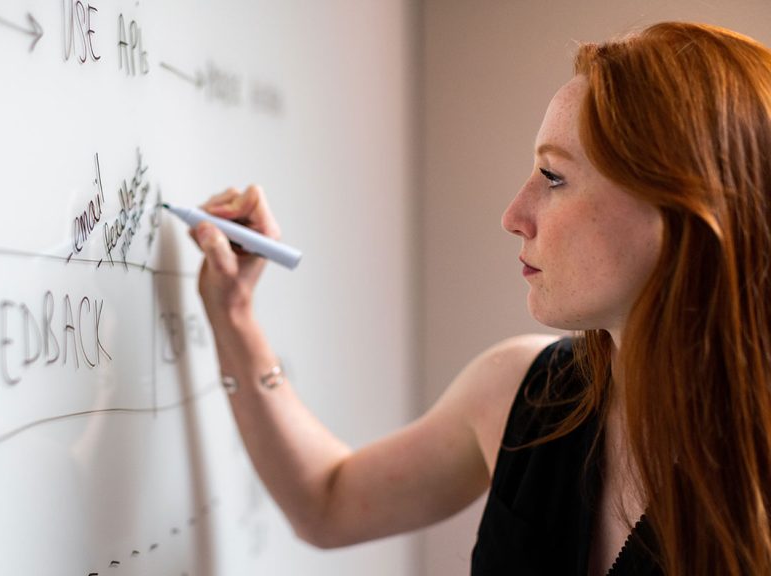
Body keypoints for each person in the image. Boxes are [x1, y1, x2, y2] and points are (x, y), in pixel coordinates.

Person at [188, 21, 771, 576]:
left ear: (678, 212)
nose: (514, 215)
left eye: (554, 176)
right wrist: (234, 315)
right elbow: (327, 502)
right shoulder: (524, 392)